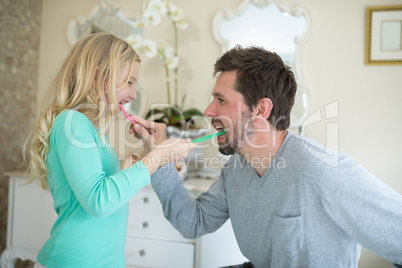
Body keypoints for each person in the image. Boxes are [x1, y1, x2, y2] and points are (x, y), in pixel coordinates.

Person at [132, 45, 402, 267]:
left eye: (221, 100)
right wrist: (160, 155)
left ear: (261, 109)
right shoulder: (237, 168)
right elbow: (192, 223)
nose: (209, 110)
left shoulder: (323, 171)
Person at [24, 33, 197, 268]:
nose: (134, 94)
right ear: (97, 77)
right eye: (129, 82)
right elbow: (99, 201)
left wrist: (153, 151)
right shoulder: (71, 122)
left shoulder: (95, 131)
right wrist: (156, 158)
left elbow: (110, 196)